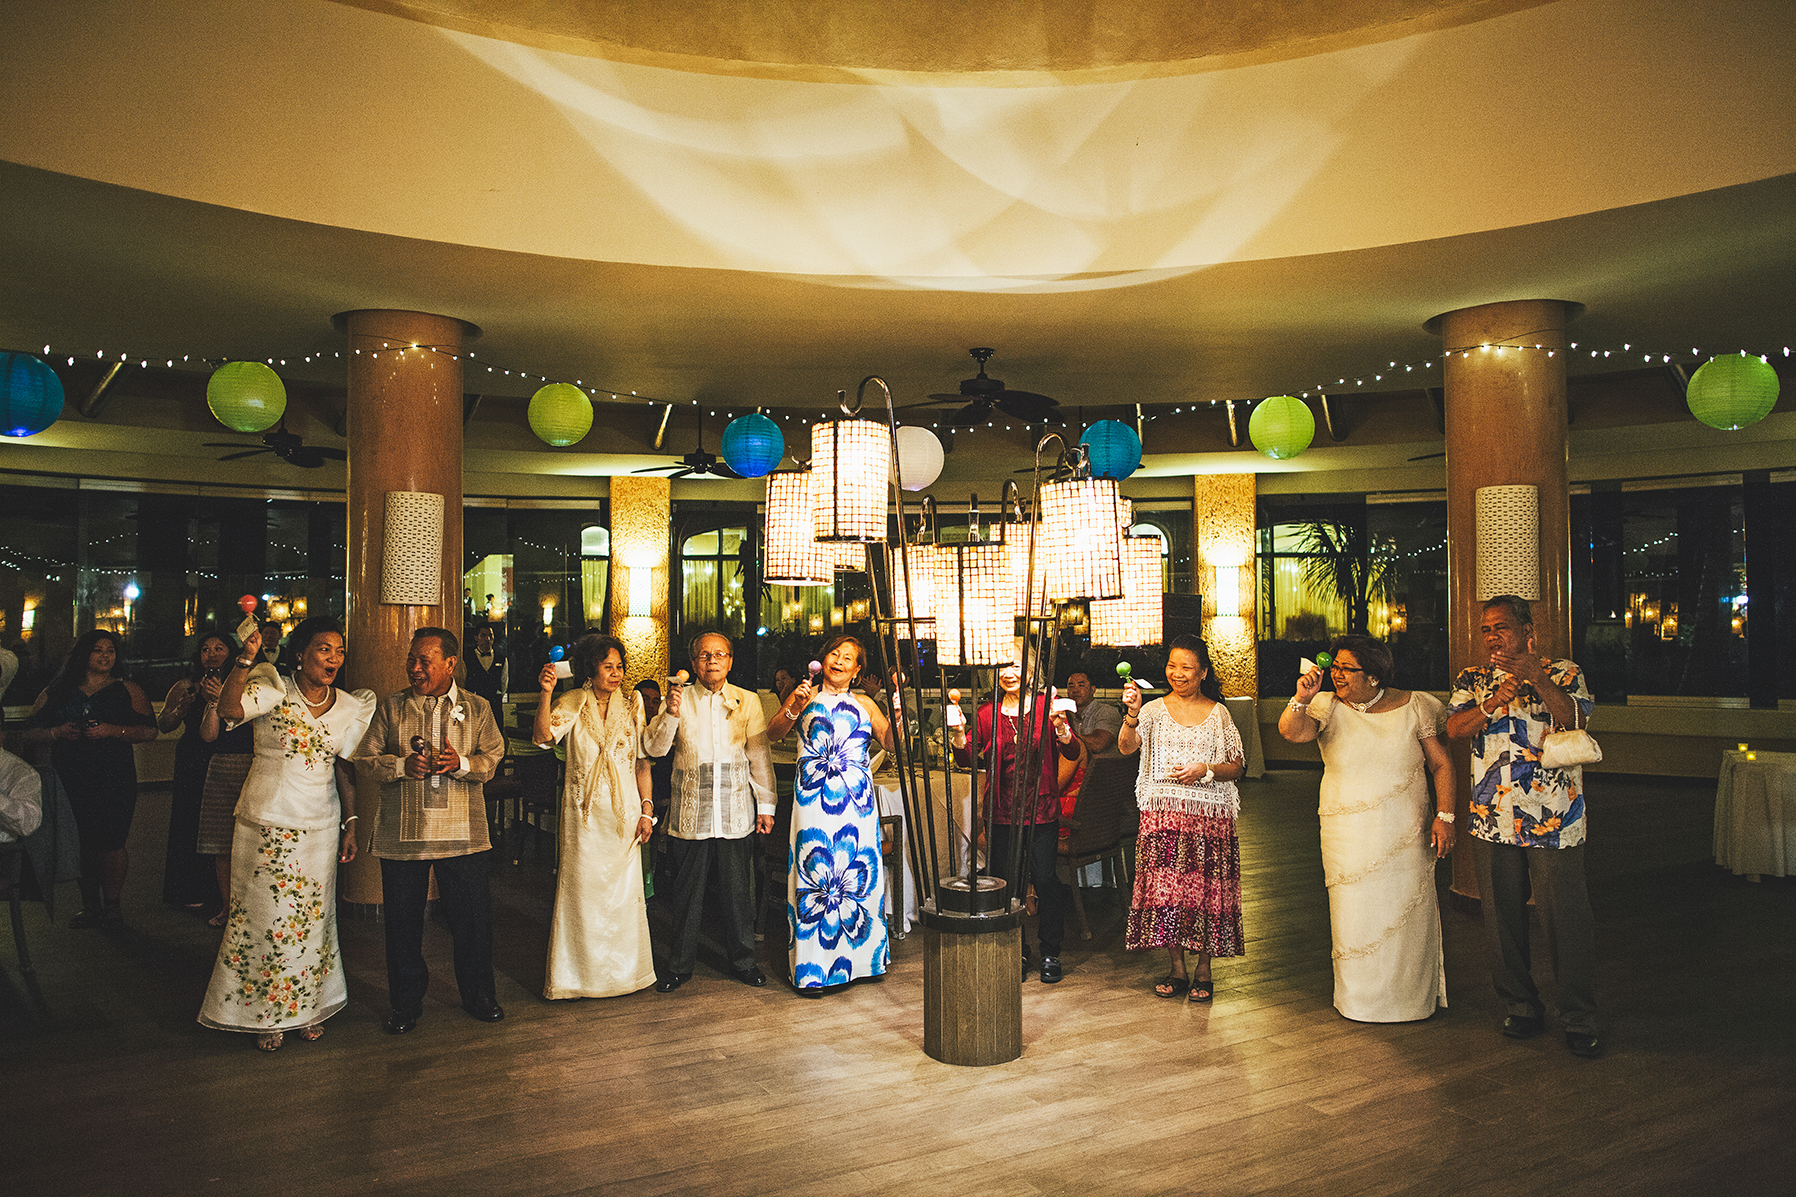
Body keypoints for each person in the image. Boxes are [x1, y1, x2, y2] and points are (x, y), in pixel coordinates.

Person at [197, 617, 375, 1051]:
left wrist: (351, 823)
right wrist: (244, 659)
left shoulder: (350, 706)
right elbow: (229, 710)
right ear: (300, 654)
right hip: (267, 822)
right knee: (265, 920)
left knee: (311, 922)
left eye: (339, 651)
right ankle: (264, 1015)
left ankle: (306, 1009)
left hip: (320, 827)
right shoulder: (273, 688)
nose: (334, 658)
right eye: (323, 649)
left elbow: (344, 770)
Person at [1445, 595, 1600, 1059]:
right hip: (1492, 817)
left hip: (1555, 816)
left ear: (1528, 630)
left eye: (1502, 627)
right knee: (1502, 918)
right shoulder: (1472, 679)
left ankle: (1579, 1017)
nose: (1492, 636)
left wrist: (1537, 678)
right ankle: (1520, 1005)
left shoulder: (1564, 672)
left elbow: (1578, 719)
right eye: (1486, 629)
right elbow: (1454, 729)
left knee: (1565, 918)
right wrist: (1493, 702)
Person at [1279, 635, 1455, 1022]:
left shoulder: (1418, 706)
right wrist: (1302, 698)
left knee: (1404, 910)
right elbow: (1293, 732)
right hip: (1346, 831)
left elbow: (1441, 764)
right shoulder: (1326, 705)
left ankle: (1409, 999)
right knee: (1353, 913)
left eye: (1347, 668)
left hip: (1404, 829)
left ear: (1374, 675)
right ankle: (1358, 1000)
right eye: (1336, 667)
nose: (1337, 675)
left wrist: (1445, 816)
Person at [352, 627, 508, 1034]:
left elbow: (493, 756)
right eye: (412, 660)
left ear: (450, 664)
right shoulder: (392, 707)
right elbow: (364, 759)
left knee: (472, 922)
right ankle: (405, 1004)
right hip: (403, 834)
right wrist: (402, 765)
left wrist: (461, 764)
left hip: (464, 833)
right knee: (402, 926)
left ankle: (479, 995)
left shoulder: (477, 707)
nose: (415, 668)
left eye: (425, 661)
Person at [643, 632, 776, 992]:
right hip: (691, 811)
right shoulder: (678, 698)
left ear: (730, 661)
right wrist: (670, 714)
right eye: (704, 655)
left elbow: (758, 756)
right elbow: (654, 749)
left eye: (719, 655)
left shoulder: (747, 700)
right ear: (693, 663)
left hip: (735, 811)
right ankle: (679, 965)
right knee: (686, 894)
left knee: (739, 894)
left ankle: (744, 962)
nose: (712, 660)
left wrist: (766, 805)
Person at [1118, 635, 1246, 1003]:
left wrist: (1206, 769)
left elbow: (1237, 766)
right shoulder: (1152, 711)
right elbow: (1126, 747)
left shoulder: (1218, 713)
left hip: (1208, 819)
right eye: (1172, 666)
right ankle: (1177, 968)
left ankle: (1204, 969)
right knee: (1168, 893)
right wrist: (1132, 714)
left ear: (1203, 672)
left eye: (1186, 667)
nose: (1177, 673)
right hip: (1162, 817)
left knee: (1205, 893)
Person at [532, 633, 657, 1000]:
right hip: (583, 818)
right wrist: (545, 693)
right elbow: (542, 737)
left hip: (624, 817)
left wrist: (647, 810)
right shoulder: (573, 701)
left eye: (619, 667)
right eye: (607, 667)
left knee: (624, 896)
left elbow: (642, 764)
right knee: (582, 896)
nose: (616, 673)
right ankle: (577, 979)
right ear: (590, 669)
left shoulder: (632, 704)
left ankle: (626, 975)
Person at [767, 635, 893, 994]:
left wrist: (897, 717)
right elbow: (773, 733)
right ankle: (813, 969)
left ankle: (863, 961)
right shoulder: (804, 695)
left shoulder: (865, 703)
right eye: (835, 654)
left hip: (858, 801)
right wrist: (795, 706)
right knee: (816, 872)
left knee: (856, 872)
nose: (839, 661)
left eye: (848, 658)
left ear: (857, 671)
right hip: (814, 797)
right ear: (822, 661)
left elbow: (891, 744)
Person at [948, 660, 1080, 983]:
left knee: (1046, 880)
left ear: (1030, 670)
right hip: (1001, 810)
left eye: (1016, 665)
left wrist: (1061, 728)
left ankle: (1050, 952)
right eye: (1003, 666)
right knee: (1007, 884)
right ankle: (1015, 950)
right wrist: (958, 735)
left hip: (1041, 809)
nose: (1009, 673)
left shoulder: (1046, 705)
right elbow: (967, 758)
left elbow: (1073, 752)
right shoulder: (986, 713)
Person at [25, 630, 158, 929]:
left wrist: (113, 730)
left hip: (114, 777)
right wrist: (57, 732)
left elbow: (150, 731)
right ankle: (90, 905)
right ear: (83, 654)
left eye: (110, 650)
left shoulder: (127, 690)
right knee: (80, 842)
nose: (105, 656)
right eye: (98, 650)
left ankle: (112, 905)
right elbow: (29, 733)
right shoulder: (58, 691)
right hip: (71, 776)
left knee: (111, 841)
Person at [156, 631, 234, 912]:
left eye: (219, 648)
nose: (211, 654)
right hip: (193, 756)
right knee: (189, 818)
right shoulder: (186, 685)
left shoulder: (238, 684)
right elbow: (163, 724)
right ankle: (189, 887)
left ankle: (221, 891)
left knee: (220, 824)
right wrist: (179, 710)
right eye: (205, 649)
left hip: (225, 755)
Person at [463, 623, 508, 711]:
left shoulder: (501, 658)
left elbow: (504, 682)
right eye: (483, 635)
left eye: (490, 635)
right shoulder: (467, 658)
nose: (488, 639)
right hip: (473, 704)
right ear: (476, 638)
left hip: (494, 704)